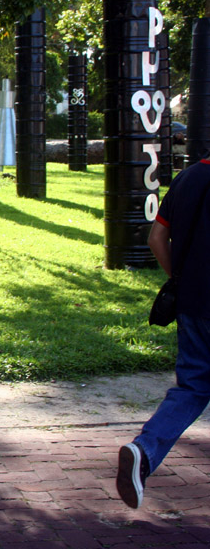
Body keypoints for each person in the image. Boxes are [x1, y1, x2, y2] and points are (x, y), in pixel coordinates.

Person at [116, 155, 210, 509]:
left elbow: (157, 237)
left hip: (191, 303)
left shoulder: (187, 178)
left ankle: (144, 450)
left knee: (192, 386)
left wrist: (180, 280)